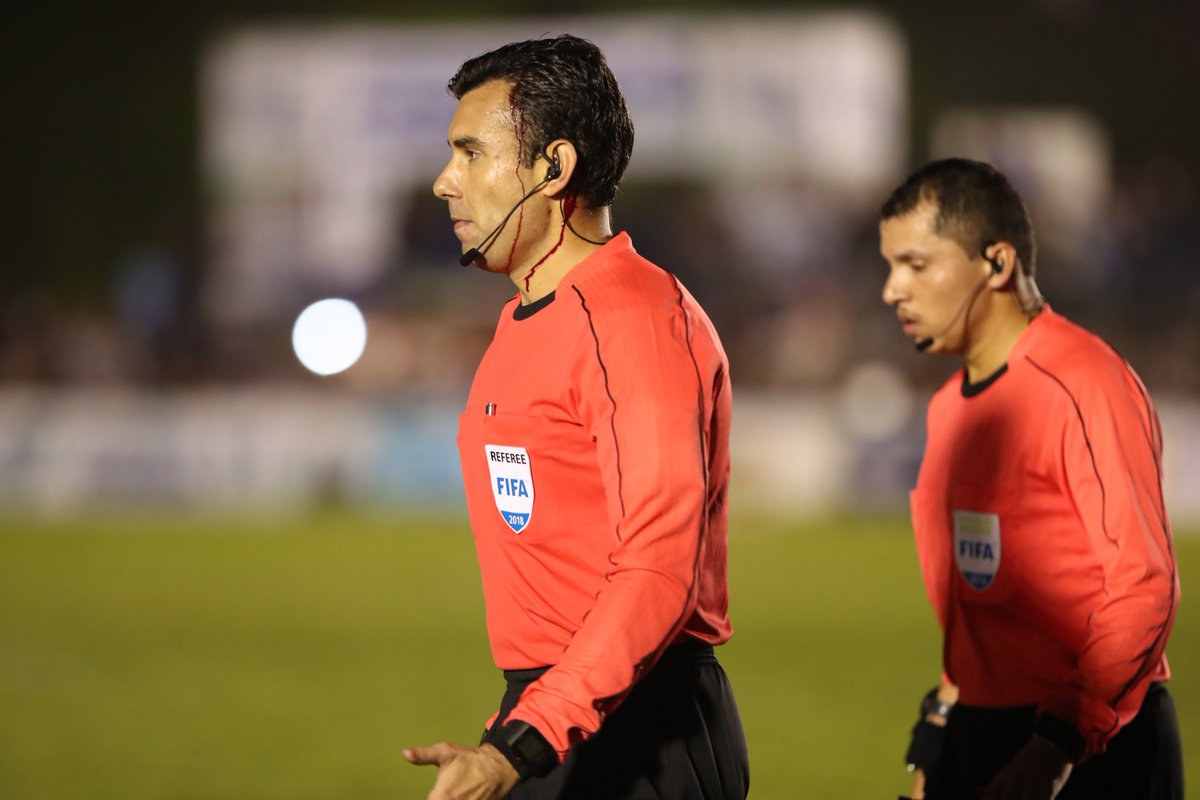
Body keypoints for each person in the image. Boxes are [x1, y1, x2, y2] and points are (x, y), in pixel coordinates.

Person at [403, 34, 750, 800]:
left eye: (471, 154)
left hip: (639, 732)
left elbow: (659, 565)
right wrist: (519, 731)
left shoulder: (632, 319)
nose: (443, 182)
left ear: (552, 169)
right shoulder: (528, 317)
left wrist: (525, 741)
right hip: (558, 717)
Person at [879, 158, 1183, 800]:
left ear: (996, 263)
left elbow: (1143, 588)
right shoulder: (948, 409)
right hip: (984, 737)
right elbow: (974, 616)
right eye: (890, 267)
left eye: (916, 264)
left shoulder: (1086, 383)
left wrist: (1055, 748)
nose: (893, 290)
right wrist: (940, 733)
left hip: (1091, 746)